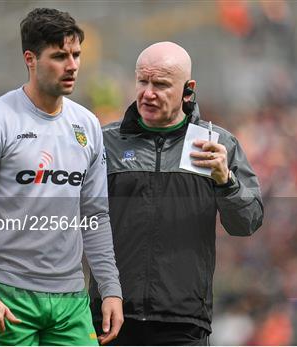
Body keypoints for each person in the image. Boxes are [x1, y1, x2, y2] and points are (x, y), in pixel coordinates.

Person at [0, 8, 123, 346]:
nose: (72, 65)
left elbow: (95, 216)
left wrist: (110, 289)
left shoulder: (87, 124)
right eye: (59, 56)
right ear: (30, 59)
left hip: (71, 301)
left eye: (76, 55)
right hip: (6, 299)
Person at [89, 41, 264, 345]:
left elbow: (247, 222)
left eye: (161, 84)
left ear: (188, 88)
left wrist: (226, 181)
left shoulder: (216, 144)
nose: (148, 92)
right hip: (109, 317)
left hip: (184, 322)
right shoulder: (105, 143)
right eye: (142, 81)